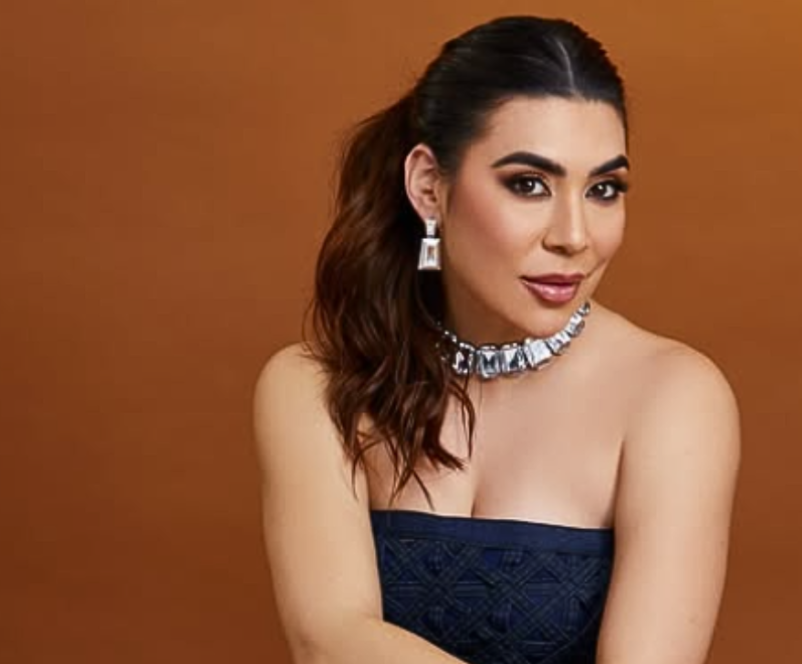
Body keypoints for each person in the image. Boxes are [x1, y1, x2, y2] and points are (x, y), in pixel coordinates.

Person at [252, 15, 742, 664]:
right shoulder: (314, 387)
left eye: (604, 190)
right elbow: (329, 639)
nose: (574, 236)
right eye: (529, 184)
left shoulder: (672, 398)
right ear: (429, 187)